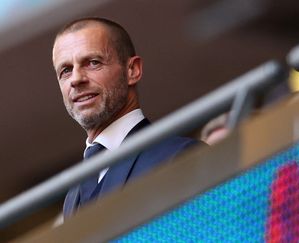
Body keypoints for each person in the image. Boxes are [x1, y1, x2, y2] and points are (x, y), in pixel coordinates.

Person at [52, 17, 200, 218]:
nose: (76, 79)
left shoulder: (180, 156)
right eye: (66, 71)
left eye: (93, 63)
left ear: (133, 70)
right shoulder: (73, 195)